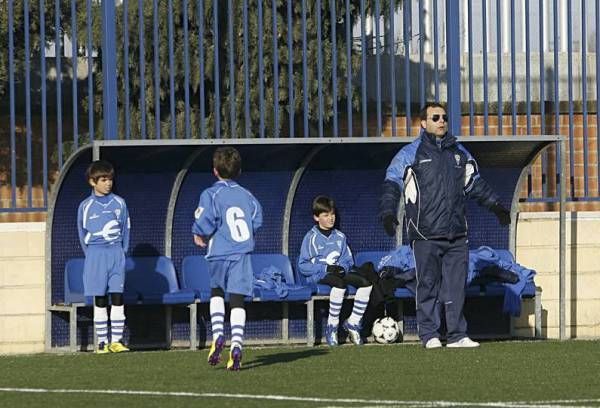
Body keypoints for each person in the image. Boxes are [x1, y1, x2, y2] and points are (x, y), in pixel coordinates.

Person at [379, 102, 511, 349]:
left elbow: (475, 184)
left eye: (444, 117)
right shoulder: (410, 154)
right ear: (423, 123)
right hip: (425, 233)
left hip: (457, 233)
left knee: (456, 287)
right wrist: (387, 212)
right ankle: (429, 335)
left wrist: (497, 206)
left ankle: (457, 335)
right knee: (427, 284)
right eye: (435, 117)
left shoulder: (459, 153)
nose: (441, 121)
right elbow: (392, 182)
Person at [192, 146, 263, 371]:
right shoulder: (247, 195)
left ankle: (218, 334)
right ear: (239, 171)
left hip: (219, 251)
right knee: (237, 299)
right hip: (241, 253)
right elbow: (257, 219)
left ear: (215, 171)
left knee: (216, 291)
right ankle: (238, 344)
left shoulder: (211, 193)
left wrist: (198, 232)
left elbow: (206, 218)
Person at [298, 196, 374, 346]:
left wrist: (342, 268)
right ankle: (332, 326)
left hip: (338, 273)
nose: (331, 218)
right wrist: (326, 268)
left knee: (366, 283)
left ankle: (353, 322)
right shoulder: (310, 237)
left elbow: (348, 261)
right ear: (316, 217)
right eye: (325, 215)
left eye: (332, 214)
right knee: (339, 283)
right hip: (319, 275)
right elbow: (303, 265)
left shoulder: (340, 237)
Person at [77, 160, 130, 354]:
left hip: (116, 253)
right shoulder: (85, 206)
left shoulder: (119, 203)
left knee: (117, 296)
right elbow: (82, 234)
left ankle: (116, 341)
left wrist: (121, 253)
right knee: (99, 298)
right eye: (103, 180)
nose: (108, 183)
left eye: (110, 179)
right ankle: (102, 342)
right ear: (93, 182)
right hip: (95, 254)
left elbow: (126, 229)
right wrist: (91, 255)